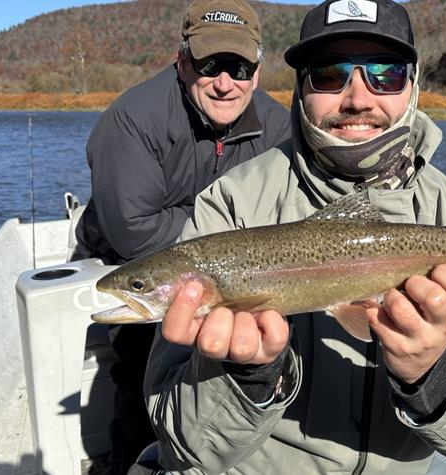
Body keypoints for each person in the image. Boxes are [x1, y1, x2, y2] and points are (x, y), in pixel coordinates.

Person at [144, 0, 446, 473]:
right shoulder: (230, 206)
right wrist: (248, 377)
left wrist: (433, 373)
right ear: (300, 88)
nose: (357, 98)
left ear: (412, 86)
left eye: (385, 75)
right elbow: (182, 444)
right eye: (329, 75)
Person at [73, 0, 291, 472]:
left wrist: (233, 242)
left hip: (231, 269)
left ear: (257, 71)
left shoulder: (278, 126)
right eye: (209, 64)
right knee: (138, 374)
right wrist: (235, 229)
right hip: (127, 266)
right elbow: (135, 232)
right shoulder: (132, 119)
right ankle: (128, 456)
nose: (225, 81)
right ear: (182, 61)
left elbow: (290, 215)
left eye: (239, 66)